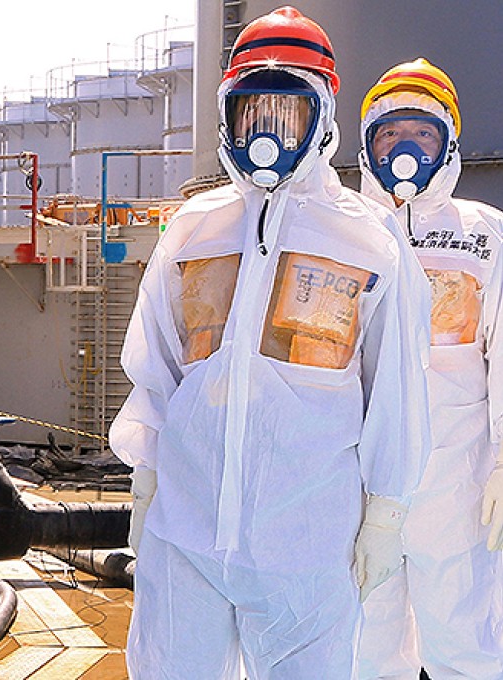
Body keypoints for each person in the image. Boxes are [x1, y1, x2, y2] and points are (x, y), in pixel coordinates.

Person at [109, 7, 431, 678]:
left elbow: (398, 386)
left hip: (305, 542)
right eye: (254, 112)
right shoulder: (196, 231)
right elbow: (157, 372)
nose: (269, 133)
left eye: (290, 113)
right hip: (187, 532)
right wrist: (145, 485)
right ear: (230, 116)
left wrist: (387, 515)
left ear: (321, 116)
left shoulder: (366, 238)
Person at [356, 58, 503, 679]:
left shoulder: (485, 234)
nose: (405, 147)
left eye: (422, 131)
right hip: (362, 475)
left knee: (465, 641)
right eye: (390, 133)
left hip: (458, 476)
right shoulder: (347, 229)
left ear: (448, 143)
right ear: (365, 145)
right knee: (364, 647)